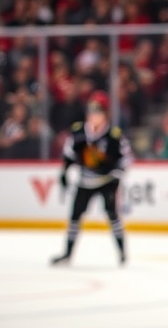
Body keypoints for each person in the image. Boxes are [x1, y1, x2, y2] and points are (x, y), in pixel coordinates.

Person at [51, 91, 132, 266]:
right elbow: (69, 153)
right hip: (85, 181)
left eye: (98, 112)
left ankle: (122, 253)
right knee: (75, 216)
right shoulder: (78, 132)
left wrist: (116, 175)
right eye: (91, 111)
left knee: (113, 215)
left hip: (106, 181)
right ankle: (67, 253)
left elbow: (125, 159)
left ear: (106, 114)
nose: (93, 116)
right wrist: (64, 172)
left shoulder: (114, 136)